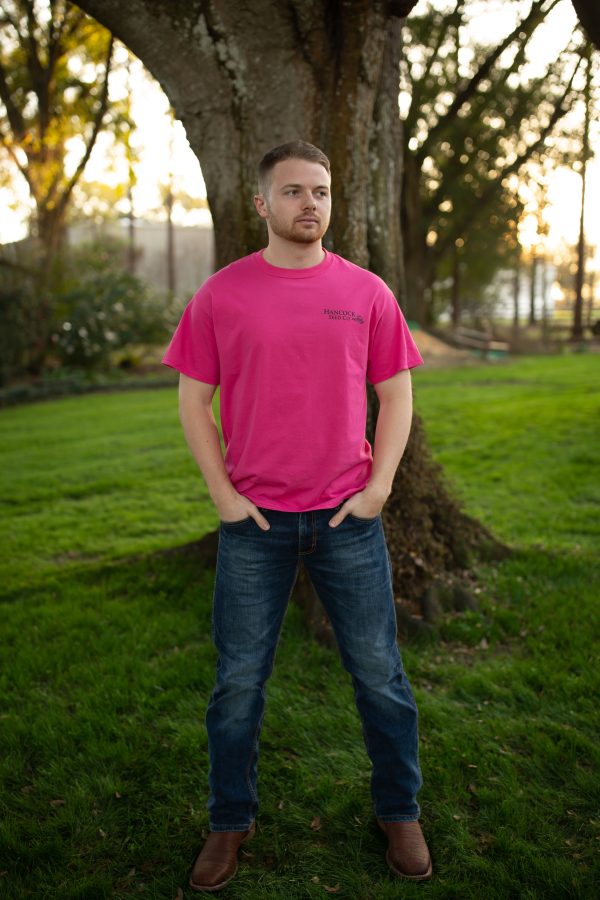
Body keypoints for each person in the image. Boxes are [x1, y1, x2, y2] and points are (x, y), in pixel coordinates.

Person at [161, 140, 432, 892]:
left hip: (348, 518)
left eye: (320, 191)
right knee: (239, 682)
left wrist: (378, 487)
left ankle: (398, 808)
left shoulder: (368, 291)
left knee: (380, 676)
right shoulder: (222, 294)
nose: (308, 204)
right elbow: (192, 398)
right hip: (255, 524)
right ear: (261, 204)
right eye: (292, 192)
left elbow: (398, 392)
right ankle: (228, 821)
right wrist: (222, 495)